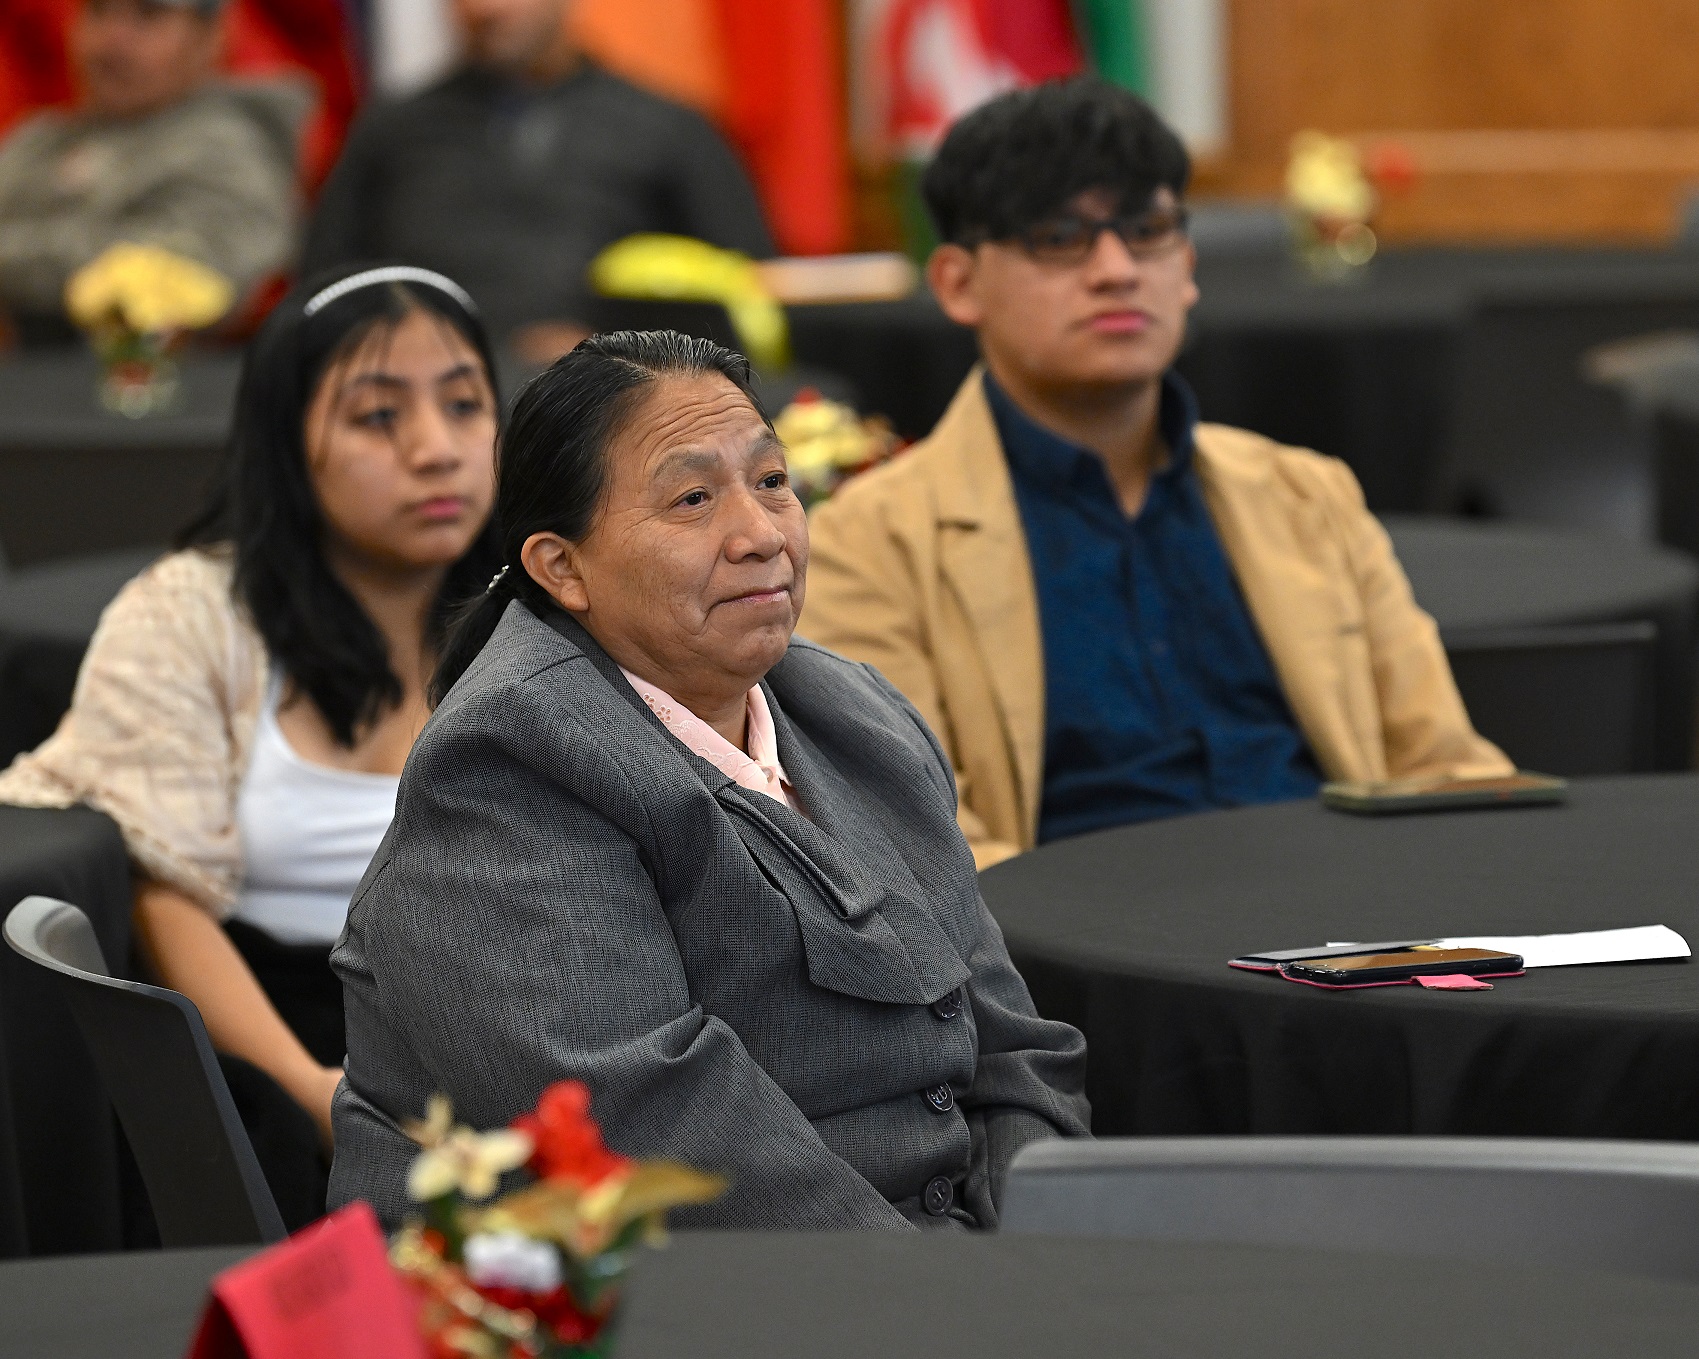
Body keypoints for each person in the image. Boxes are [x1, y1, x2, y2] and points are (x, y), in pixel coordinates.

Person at [326, 330, 1089, 1230]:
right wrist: (951, 1302)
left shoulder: (855, 713)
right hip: (654, 1296)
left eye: (771, 482)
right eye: (692, 498)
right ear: (560, 567)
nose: (762, 534)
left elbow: (1012, 1044)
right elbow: (650, 1132)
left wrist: (1039, 1238)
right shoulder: (506, 760)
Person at [798, 79, 1511, 869]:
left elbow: (1447, 769)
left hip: (1351, 938)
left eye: (1146, 231)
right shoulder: (867, 542)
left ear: (1188, 266)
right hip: (1079, 965)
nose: (1116, 269)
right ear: (958, 284)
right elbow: (918, 846)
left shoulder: (1305, 492)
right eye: (1059, 237)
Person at [0, 263, 502, 1226]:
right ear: (286, 442)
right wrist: (322, 1096)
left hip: (501, 1018)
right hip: (271, 1050)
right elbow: (162, 894)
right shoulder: (194, 613)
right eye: (377, 417)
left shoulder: (539, 612)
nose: (438, 450)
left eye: (465, 404)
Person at [302, 0, 775, 360]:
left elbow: (751, 297)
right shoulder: (389, 132)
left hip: (616, 408)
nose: (486, 8)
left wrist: (614, 352)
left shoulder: (671, 130)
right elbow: (324, 292)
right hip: (425, 398)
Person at [0, 0, 306, 344]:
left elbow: (170, 277)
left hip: (162, 385)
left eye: (149, 14)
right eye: (98, 12)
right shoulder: (38, 140)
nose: (112, 41)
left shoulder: (229, 147)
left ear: (210, 37)